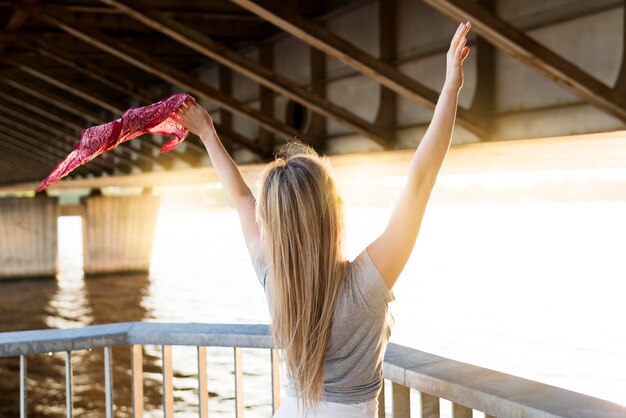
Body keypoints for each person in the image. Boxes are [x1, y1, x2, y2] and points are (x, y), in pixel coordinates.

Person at [173, 21, 472, 418]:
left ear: (276, 224)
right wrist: (450, 87)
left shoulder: (274, 278)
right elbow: (421, 179)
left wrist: (208, 134)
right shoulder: (366, 285)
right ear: (331, 213)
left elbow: (242, 197)